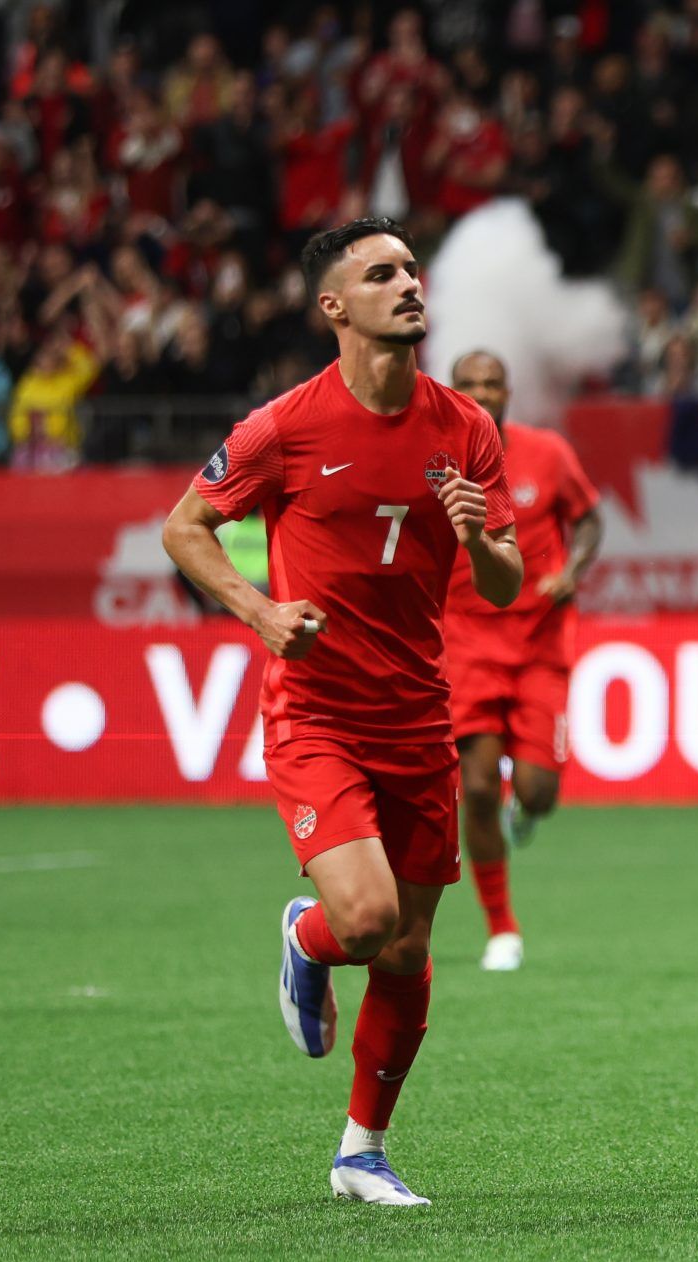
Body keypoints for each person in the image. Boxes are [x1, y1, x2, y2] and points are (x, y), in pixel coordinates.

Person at [161, 217, 521, 1206]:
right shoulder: (283, 426)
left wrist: (480, 540)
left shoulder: (467, 428)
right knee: (363, 920)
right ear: (335, 307)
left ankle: (360, 1150)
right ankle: (306, 937)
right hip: (316, 712)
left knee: (407, 950)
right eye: (381, 274)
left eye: (411, 269)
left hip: (418, 716)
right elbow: (184, 526)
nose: (408, 284)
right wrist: (260, 609)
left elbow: (502, 582)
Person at [443, 350, 602, 972]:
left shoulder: (547, 453)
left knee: (537, 793)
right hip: (465, 644)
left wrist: (571, 569)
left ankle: (526, 807)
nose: (482, 394)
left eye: (492, 383)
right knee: (476, 788)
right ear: (452, 393)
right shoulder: (433, 464)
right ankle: (502, 928)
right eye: (469, 385)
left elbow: (590, 519)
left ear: (510, 391)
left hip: (538, 645)